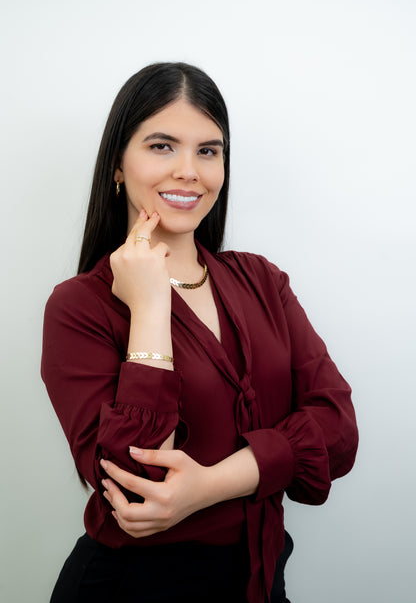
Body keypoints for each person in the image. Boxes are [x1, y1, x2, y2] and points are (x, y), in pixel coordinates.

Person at [41, 62, 358, 603]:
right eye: (162, 146)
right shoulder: (79, 306)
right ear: (118, 165)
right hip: (131, 588)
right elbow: (137, 488)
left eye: (208, 151)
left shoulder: (262, 280)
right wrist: (148, 307)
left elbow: (338, 433)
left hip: (260, 583)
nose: (189, 170)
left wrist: (211, 485)